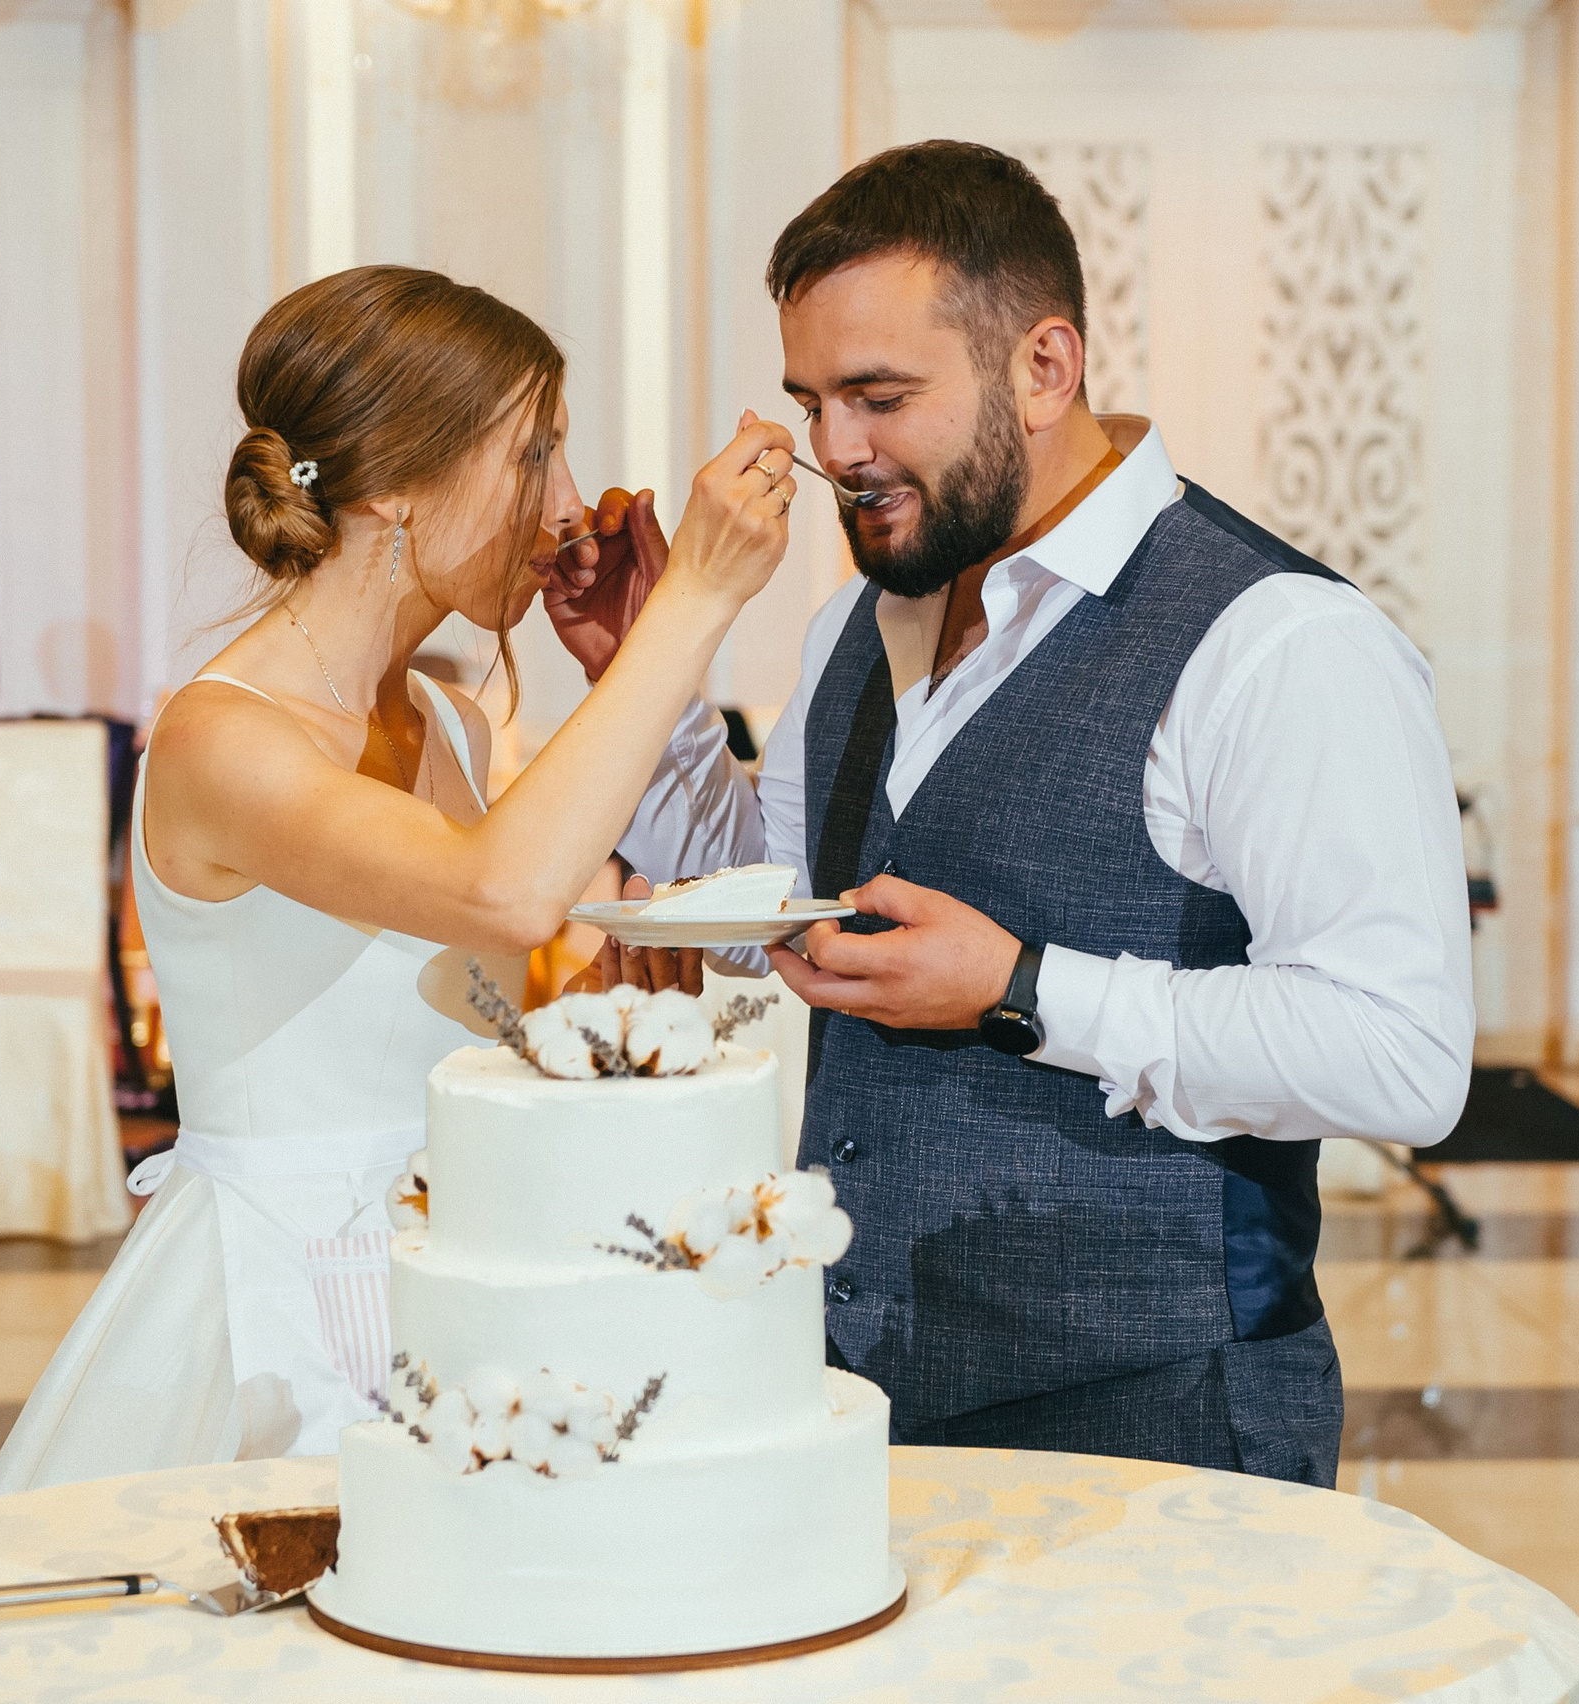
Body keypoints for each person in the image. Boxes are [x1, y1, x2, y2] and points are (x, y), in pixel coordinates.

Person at [555, 142, 1473, 1486]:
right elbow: (783, 906)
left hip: (1161, 1419)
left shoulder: (1279, 642)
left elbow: (1400, 1053)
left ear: (1045, 367)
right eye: (811, 403)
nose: (834, 453)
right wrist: (640, 676)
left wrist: (1023, 987)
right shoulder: (852, 632)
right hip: (866, 1400)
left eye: (879, 397)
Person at [0, 265, 797, 1496]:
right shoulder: (221, 739)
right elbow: (502, 893)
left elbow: (458, 1018)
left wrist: (603, 1022)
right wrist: (693, 600)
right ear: (398, 488)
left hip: (456, 1261)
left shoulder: (449, 726)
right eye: (536, 458)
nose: (571, 507)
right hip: (284, 1300)